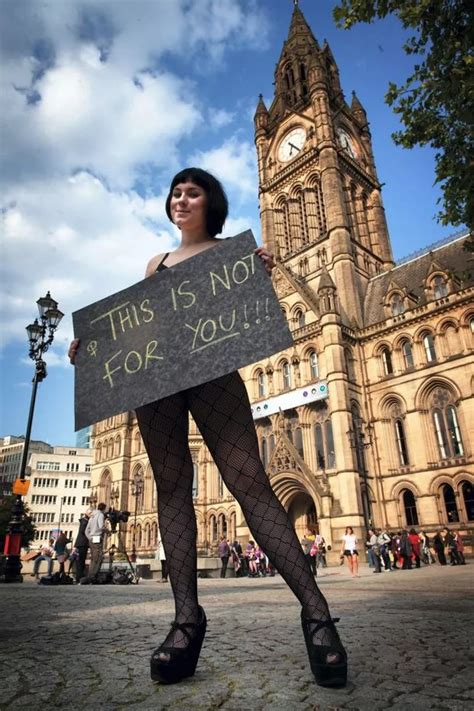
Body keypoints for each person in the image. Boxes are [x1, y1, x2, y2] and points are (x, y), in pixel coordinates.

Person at [69, 167, 347, 688]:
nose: (180, 199)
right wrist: (93, 352)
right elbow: (141, 329)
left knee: (249, 483)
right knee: (172, 491)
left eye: (191, 192)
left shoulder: (233, 256)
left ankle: (317, 614)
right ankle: (186, 620)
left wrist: (263, 274)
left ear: (209, 202)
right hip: (156, 381)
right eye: (174, 192)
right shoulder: (158, 263)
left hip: (213, 372)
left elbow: (247, 314)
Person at [85, 503, 107, 580]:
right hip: (97, 538)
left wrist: (90, 538)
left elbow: (87, 530)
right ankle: (93, 576)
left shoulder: (92, 515)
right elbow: (101, 526)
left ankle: (90, 575)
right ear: (104, 509)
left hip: (91, 539)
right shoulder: (100, 515)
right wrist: (107, 530)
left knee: (93, 558)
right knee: (98, 557)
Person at [74, 509, 92, 582]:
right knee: (81, 560)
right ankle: (79, 576)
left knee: (81, 560)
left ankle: (80, 576)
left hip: (82, 543)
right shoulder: (84, 521)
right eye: (90, 513)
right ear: (87, 514)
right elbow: (83, 531)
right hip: (82, 543)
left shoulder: (84, 521)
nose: (92, 515)